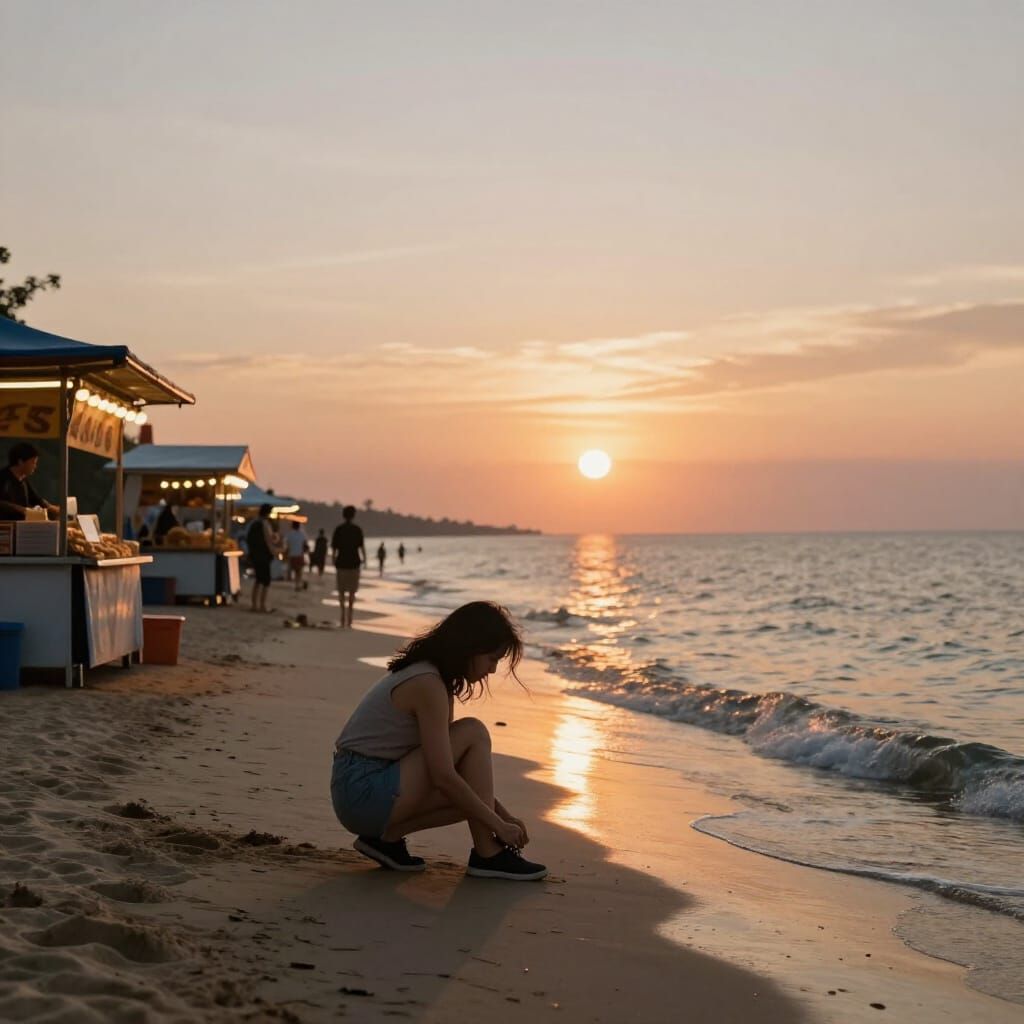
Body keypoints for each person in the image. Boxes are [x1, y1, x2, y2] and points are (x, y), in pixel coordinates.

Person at [331, 601, 547, 880]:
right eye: (493, 658)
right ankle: (488, 855)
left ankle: (387, 838)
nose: (492, 670)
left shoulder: (436, 679)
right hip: (362, 787)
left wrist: (503, 817)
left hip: (360, 791)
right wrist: (499, 825)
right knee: (474, 731)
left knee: (470, 794)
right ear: (471, 647)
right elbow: (443, 776)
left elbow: (457, 776)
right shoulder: (428, 683)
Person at [0, 442, 58, 521]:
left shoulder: (23, 479)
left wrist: (51, 508)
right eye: (33, 462)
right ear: (20, 462)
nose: (35, 466)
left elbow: (36, 499)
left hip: (22, 526)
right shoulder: (3, 478)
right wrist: (23, 510)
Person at [331, 505, 365, 628]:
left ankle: (342, 615)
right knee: (352, 592)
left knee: (341, 591)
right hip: (354, 563)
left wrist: (333, 559)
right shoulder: (357, 529)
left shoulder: (339, 529)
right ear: (353, 515)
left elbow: (334, 548)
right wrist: (364, 560)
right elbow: (361, 547)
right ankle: (350, 616)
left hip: (341, 563)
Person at [246, 503, 278, 612]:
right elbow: (269, 541)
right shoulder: (264, 523)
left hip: (255, 555)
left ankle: (254, 605)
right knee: (266, 581)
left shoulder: (254, 523)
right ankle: (262, 605)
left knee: (258, 580)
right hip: (264, 556)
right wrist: (274, 552)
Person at [284, 519, 309, 591]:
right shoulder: (302, 534)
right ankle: (298, 584)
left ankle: (297, 584)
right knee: (299, 572)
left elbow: (287, 545)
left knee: (293, 571)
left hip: (292, 555)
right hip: (300, 555)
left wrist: (286, 554)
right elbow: (305, 545)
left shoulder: (290, 534)